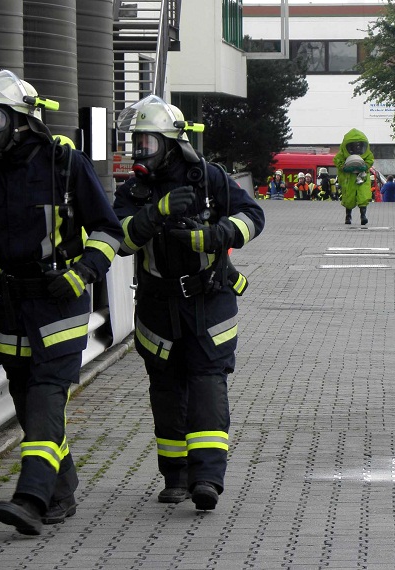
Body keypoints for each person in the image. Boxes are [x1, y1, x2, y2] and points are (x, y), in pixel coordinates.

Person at [0, 69, 123, 535]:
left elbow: (108, 230)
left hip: (59, 306)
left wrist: (82, 273)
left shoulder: (62, 163)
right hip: (8, 309)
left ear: (21, 119)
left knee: (48, 399)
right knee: (29, 406)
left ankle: (30, 498)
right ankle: (61, 492)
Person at [112, 95, 265, 511]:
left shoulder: (208, 179)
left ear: (171, 143)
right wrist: (154, 214)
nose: (139, 152)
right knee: (165, 392)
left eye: (147, 143)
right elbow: (120, 241)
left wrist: (216, 235)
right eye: (135, 143)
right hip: (158, 309)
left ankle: (207, 479)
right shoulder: (134, 191)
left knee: (207, 387)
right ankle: (175, 477)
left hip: (208, 303)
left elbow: (253, 215)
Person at [334, 129, 374, 224]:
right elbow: (337, 161)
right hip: (349, 179)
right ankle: (348, 217)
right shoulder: (343, 153)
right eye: (354, 145)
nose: (357, 147)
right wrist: (344, 168)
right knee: (349, 198)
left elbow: (370, 160)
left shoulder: (366, 153)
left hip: (362, 177)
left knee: (363, 197)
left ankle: (363, 216)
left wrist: (365, 166)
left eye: (359, 145)